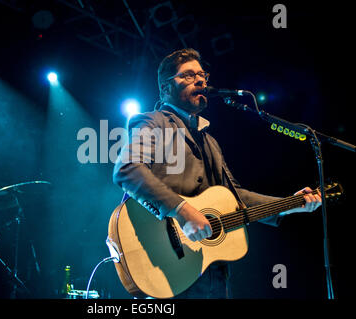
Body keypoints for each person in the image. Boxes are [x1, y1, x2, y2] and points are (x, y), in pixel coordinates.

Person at [112, 48, 322, 298]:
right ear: (166, 88)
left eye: (202, 75)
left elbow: (236, 198)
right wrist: (183, 211)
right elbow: (127, 169)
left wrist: (288, 205)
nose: (200, 80)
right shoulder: (153, 122)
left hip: (213, 274)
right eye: (188, 76)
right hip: (169, 270)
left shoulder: (210, 140)